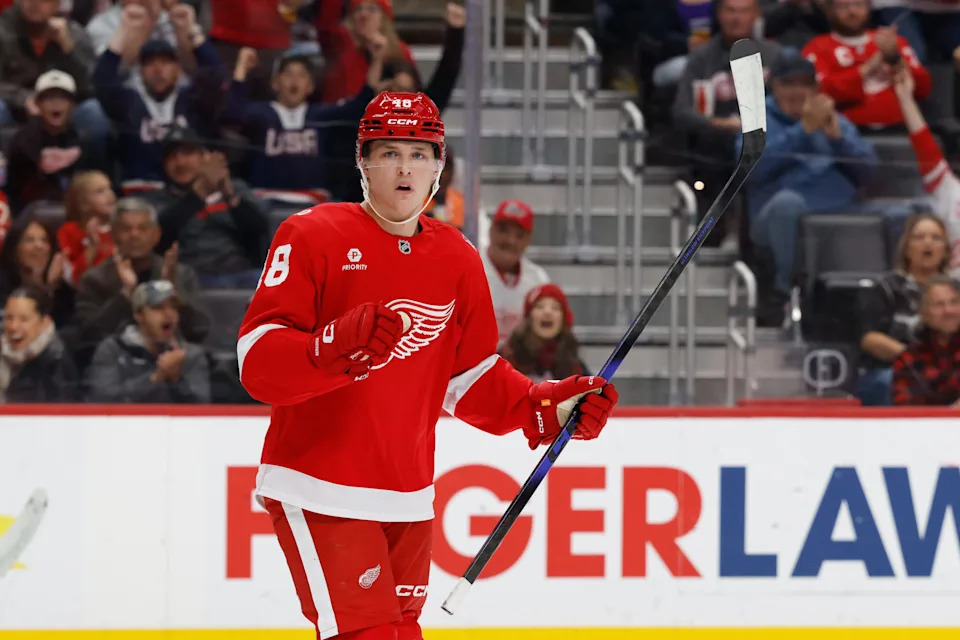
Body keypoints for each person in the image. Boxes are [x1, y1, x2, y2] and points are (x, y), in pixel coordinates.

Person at [236, 91, 620, 640]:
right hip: (317, 483)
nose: (404, 168)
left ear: (439, 167)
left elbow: (467, 378)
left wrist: (543, 408)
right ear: (362, 161)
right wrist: (328, 347)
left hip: (408, 492)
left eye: (419, 155)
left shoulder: (458, 257)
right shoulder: (311, 234)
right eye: (389, 152)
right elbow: (257, 365)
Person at [856, 212, 952, 405]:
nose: (928, 243)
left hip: (948, 369)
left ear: (945, 250)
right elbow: (869, 338)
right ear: (907, 248)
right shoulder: (886, 288)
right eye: (919, 237)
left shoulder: (955, 290)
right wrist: (915, 360)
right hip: (893, 369)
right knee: (892, 381)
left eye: (936, 238)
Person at [802, 0, 931, 129]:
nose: (852, 12)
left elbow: (923, 89)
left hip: (901, 128)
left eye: (858, 4)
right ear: (829, 11)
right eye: (843, 6)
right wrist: (868, 67)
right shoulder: (817, 47)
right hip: (843, 133)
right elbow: (821, 91)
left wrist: (895, 60)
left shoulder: (893, 42)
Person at [86, 278, 210, 403]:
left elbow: (203, 412)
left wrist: (177, 380)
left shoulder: (191, 355)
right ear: (139, 315)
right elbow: (102, 404)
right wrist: (155, 378)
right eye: (158, 307)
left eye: (174, 307)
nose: (169, 313)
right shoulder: (113, 350)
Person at [480, 199, 550, 344]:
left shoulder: (538, 280)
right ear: (491, 230)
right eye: (504, 231)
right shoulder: (470, 269)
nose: (511, 240)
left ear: (528, 239)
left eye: (519, 235)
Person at [0, 284, 79, 402]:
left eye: (24, 319)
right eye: (9, 318)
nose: (13, 326)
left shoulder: (56, 362)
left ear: (44, 323)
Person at [498, 283, 589, 383]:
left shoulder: (573, 364)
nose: (547, 312)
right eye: (539, 306)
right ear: (529, 317)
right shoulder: (506, 358)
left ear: (563, 319)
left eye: (555, 308)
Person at [891, 275, 960, 406]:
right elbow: (906, 410)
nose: (948, 310)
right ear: (923, 313)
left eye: (954, 302)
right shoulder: (908, 359)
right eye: (939, 305)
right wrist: (950, 413)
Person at [58, 170, 117, 285]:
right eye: (100, 192)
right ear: (83, 204)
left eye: (110, 188)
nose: (109, 194)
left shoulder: (121, 228)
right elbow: (75, 278)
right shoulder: (69, 231)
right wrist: (92, 246)